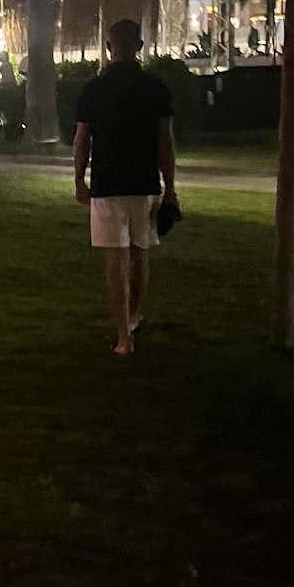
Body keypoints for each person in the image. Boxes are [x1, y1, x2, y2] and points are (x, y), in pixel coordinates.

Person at [74, 18, 177, 357]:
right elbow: (165, 142)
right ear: (140, 47)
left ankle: (123, 336)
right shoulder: (156, 89)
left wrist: (79, 179)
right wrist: (170, 187)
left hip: (107, 182)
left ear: (109, 47)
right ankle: (133, 316)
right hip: (144, 181)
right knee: (139, 253)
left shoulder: (93, 89)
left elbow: (82, 140)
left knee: (115, 260)